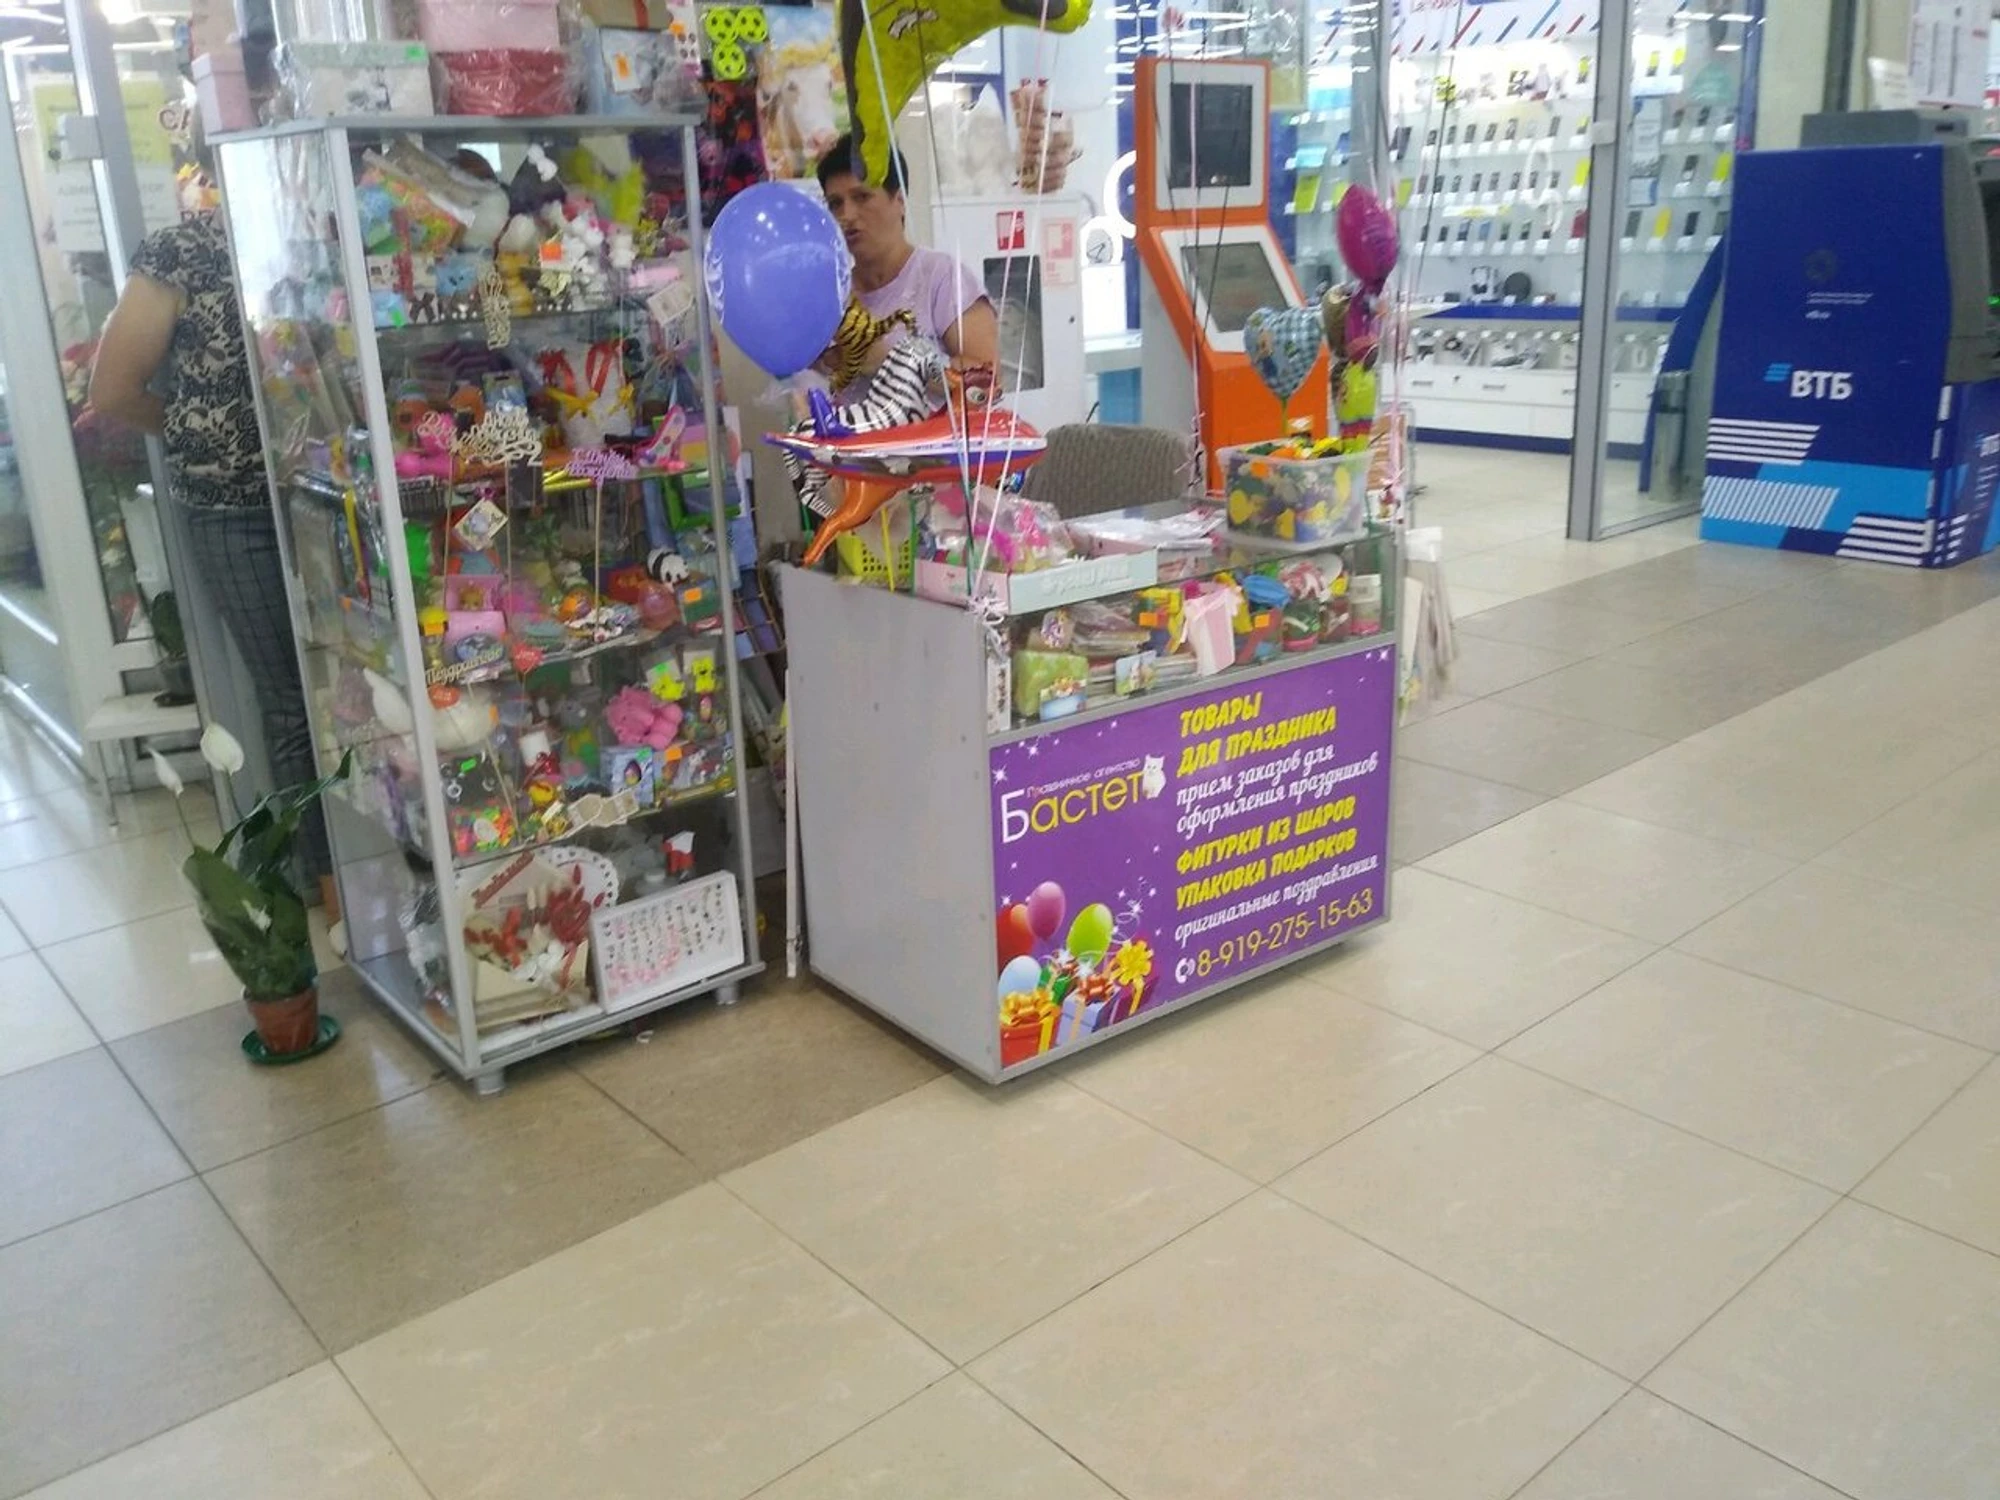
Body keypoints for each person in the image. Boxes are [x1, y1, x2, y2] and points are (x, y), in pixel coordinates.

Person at [89, 205, 331, 887]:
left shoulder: (324, 228)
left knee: (363, 681)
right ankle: (329, 885)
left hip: (337, 496)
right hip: (235, 509)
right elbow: (112, 391)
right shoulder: (182, 250)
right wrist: (202, 430)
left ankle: (388, 866)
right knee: (290, 697)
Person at [815, 135, 998, 397]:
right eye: (836, 204)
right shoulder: (832, 296)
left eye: (862, 197)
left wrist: (890, 361)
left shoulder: (942, 277)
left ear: (899, 201)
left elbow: (987, 385)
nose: (847, 215)